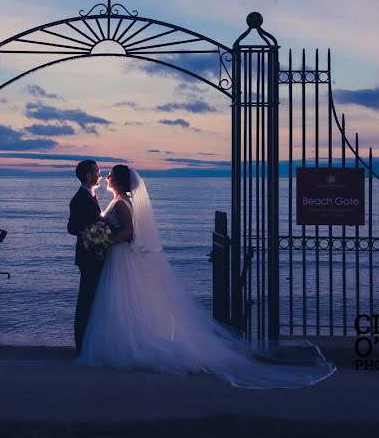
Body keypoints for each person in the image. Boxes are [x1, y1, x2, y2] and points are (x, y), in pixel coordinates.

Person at [74, 164, 336, 389]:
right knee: (126, 305)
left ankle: (127, 346)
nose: (106, 178)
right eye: (103, 174)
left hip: (121, 257)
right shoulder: (120, 201)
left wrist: (107, 242)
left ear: (118, 180)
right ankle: (124, 341)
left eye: (109, 175)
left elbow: (129, 232)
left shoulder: (121, 203)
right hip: (121, 259)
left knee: (124, 303)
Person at [66, 159, 103, 355]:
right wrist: (94, 235)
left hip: (92, 257)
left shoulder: (89, 196)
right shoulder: (81, 198)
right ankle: (82, 346)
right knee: (86, 302)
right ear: (88, 175)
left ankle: (89, 343)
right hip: (89, 258)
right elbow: (72, 227)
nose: (100, 175)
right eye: (97, 171)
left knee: (91, 300)